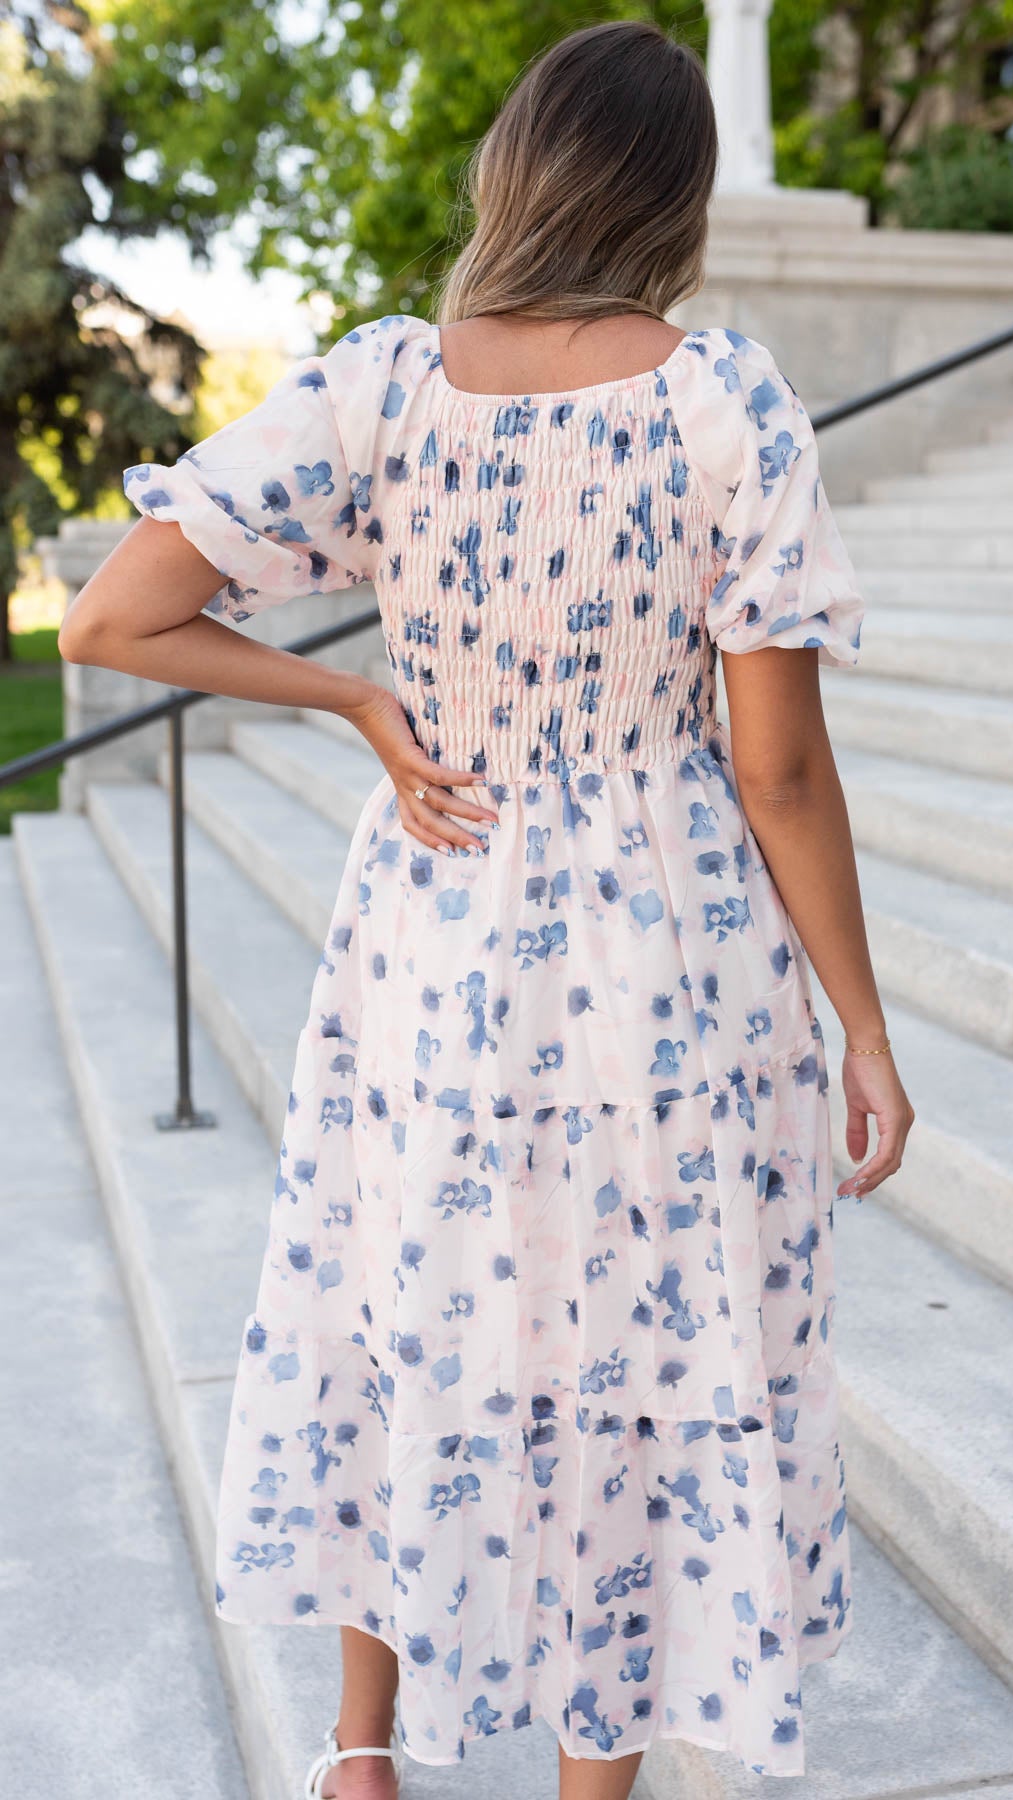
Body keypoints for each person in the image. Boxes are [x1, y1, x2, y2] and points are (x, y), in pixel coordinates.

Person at [60, 19, 913, 1800]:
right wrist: (864, 1026)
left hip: (433, 939)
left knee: (406, 1321)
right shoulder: (720, 402)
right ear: (670, 198)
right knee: (638, 1362)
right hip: (669, 957)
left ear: (516, 169)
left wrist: (365, 699)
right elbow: (776, 774)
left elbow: (111, 619)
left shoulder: (381, 382)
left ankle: (361, 1761)